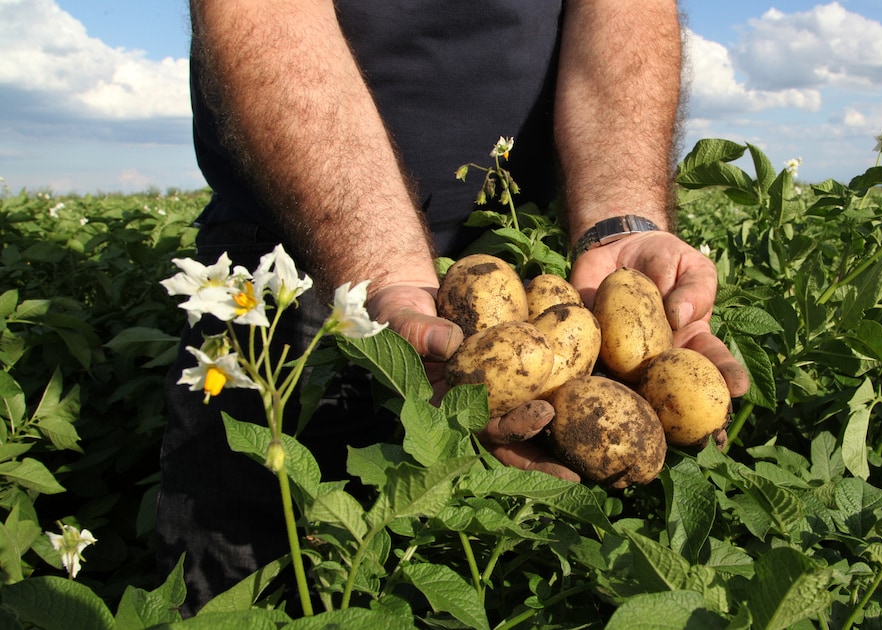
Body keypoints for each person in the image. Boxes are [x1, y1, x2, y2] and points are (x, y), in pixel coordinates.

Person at [158, 0, 751, 614]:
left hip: (510, 252)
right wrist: (383, 263)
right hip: (290, 269)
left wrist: (618, 221)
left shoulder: (558, 321)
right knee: (237, 578)